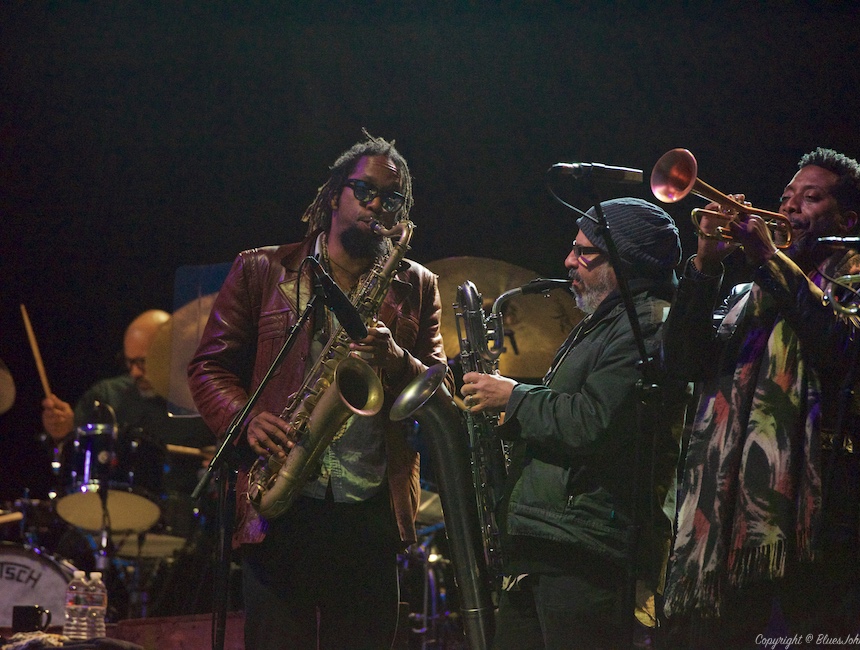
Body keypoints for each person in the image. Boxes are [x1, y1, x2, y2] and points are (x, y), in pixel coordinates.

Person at [187, 132, 450, 650]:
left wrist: (394, 357)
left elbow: (437, 388)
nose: (379, 207)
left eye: (392, 200)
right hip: (283, 504)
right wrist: (245, 420)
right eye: (366, 192)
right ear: (334, 195)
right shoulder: (262, 269)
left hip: (368, 512)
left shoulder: (418, 283)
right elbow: (209, 367)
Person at [661, 148, 860, 647]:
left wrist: (768, 260)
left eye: (811, 198)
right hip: (730, 519)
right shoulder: (747, 297)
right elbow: (681, 366)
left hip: (824, 516)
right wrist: (706, 266)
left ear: (848, 219)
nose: (790, 208)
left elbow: (841, 353)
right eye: (786, 197)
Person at [461, 197, 690, 649]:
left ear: (626, 263)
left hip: (586, 552)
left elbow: (594, 421)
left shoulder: (645, 324)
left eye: (587, 252)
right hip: (551, 544)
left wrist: (514, 396)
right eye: (573, 247)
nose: (569, 261)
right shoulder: (605, 322)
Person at [41, 309, 212, 529]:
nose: (135, 372)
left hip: (182, 525)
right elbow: (69, 458)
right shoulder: (106, 396)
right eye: (129, 362)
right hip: (108, 520)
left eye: (142, 362)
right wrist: (63, 432)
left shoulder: (206, 400)